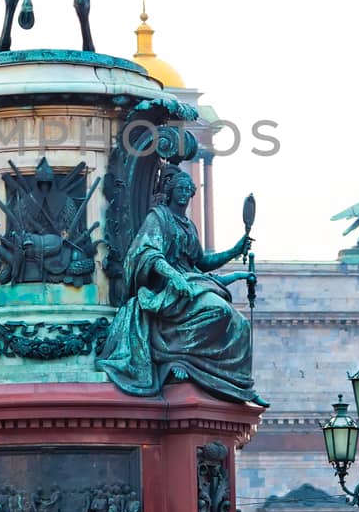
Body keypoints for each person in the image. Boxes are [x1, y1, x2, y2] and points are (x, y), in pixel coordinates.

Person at [98, 165, 258, 401]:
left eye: (188, 189)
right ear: (171, 192)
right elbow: (148, 252)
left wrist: (234, 250)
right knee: (218, 310)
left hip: (191, 281)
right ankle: (175, 357)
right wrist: (173, 276)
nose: (184, 193)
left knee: (241, 325)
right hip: (165, 286)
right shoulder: (159, 217)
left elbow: (201, 262)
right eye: (180, 188)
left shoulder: (188, 225)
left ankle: (239, 384)